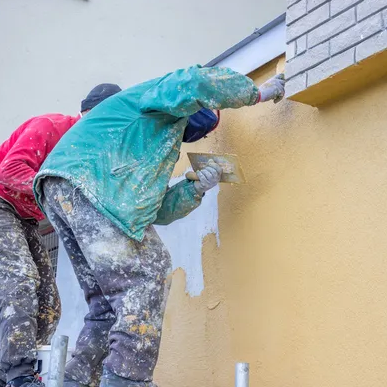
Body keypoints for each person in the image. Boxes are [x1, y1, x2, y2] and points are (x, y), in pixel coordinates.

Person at [33, 66, 285, 387]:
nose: (188, 138)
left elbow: (153, 212)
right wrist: (257, 93)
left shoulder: (141, 147)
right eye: (193, 131)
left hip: (63, 191)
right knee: (149, 269)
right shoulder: (147, 100)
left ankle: (78, 380)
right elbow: (195, 80)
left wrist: (196, 188)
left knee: (106, 304)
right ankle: (128, 378)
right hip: (91, 183)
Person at [0, 83, 122, 387]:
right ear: (90, 114)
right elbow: (9, 172)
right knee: (21, 282)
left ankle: (1, 377)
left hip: (26, 216)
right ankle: (21, 374)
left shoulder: (86, 156)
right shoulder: (50, 127)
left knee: (49, 305)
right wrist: (58, 193)